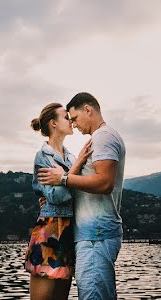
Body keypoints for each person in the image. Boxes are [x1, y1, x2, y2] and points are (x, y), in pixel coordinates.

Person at [38, 92, 126, 300]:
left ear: (88, 110)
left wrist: (63, 179)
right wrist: (55, 197)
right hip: (93, 235)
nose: (74, 125)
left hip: (96, 235)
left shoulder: (104, 137)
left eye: (75, 118)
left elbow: (104, 182)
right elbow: (89, 183)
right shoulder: (100, 138)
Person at [26, 103, 92, 300]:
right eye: (65, 117)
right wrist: (77, 167)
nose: (70, 120)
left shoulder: (70, 157)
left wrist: (66, 178)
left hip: (70, 231)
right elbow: (57, 196)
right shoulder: (43, 156)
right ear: (53, 123)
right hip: (49, 230)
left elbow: (76, 193)